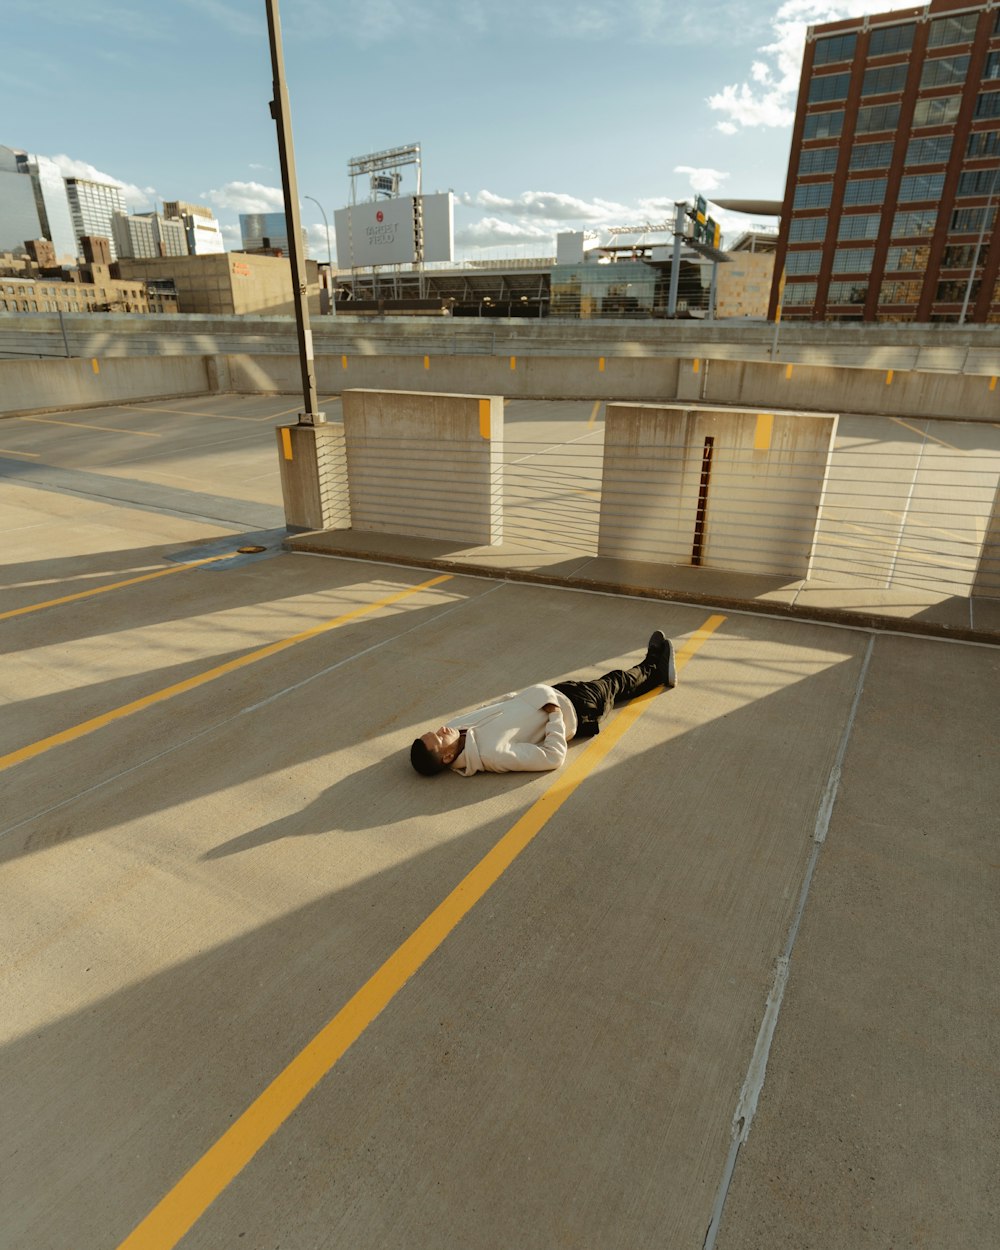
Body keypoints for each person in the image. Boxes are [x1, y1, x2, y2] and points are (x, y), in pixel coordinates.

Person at [410, 631, 676, 777]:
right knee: (616, 682)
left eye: (435, 731)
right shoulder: (492, 755)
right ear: (447, 756)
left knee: (613, 685)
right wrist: (555, 715)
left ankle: (654, 669)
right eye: (438, 738)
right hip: (575, 710)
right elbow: (552, 757)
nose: (442, 729)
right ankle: (655, 665)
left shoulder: (455, 729)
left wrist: (519, 695)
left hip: (555, 693)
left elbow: (488, 708)